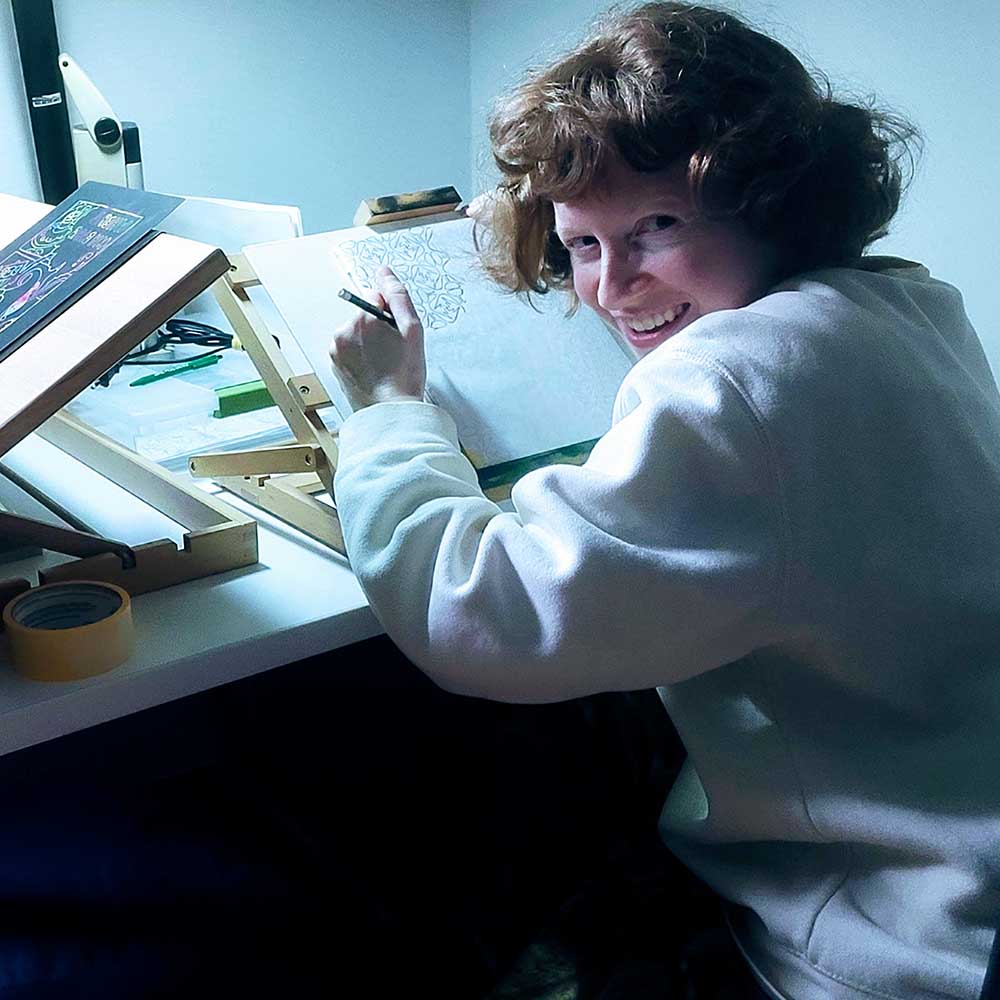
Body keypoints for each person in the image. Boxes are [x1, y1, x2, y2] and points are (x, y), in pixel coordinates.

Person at [329, 3, 1000, 998]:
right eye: (583, 245)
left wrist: (388, 412)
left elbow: (482, 614)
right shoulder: (907, 307)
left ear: (774, 201)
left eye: (656, 226)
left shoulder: (743, 375)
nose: (611, 287)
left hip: (886, 932)